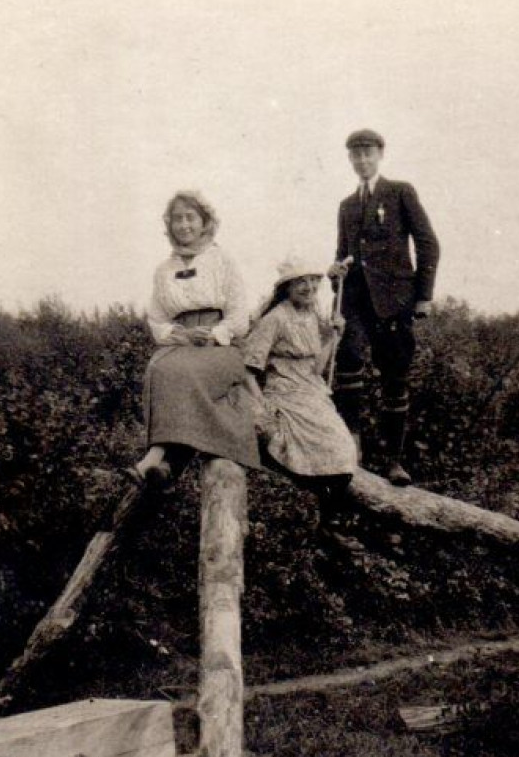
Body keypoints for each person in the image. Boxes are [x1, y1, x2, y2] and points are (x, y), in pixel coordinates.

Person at [328, 128, 440, 486]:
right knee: (347, 367)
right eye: (355, 155)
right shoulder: (347, 205)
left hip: (395, 302)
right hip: (355, 302)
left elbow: (428, 244)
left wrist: (423, 295)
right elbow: (341, 253)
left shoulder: (399, 192)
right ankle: (352, 449)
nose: (362, 161)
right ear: (350, 160)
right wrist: (336, 271)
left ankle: (394, 461)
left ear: (380, 154)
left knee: (395, 378)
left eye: (368, 154)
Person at [126, 190, 261, 487]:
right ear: (169, 224)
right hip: (182, 344)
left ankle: (157, 456)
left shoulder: (222, 260)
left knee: (180, 371)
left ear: (204, 222)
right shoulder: (164, 270)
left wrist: (215, 333)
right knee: (159, 369)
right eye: (177, 219)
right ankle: (167, 466)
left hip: (221, 347)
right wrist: (179, 334)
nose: (184, 225)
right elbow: (157, 319)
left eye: (190, 218)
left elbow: (240, 315)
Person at [241, 256, 358, 534]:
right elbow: (247, 369)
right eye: (300, 282)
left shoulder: (312, 317)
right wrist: (261, 408)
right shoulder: (275, 318)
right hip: (284, 393)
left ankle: (329, 521)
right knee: (303, 453)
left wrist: (333, 337)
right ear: (287, 287)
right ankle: (329, 522)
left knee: (345, 449)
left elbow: (317, 367)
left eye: (312, 281)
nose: (308, 287)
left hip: (312, 391)